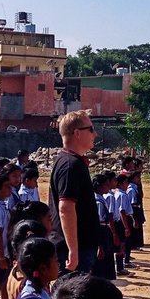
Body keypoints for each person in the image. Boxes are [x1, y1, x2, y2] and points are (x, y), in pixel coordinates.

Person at [48, 111, 101, 274]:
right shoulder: (70, 165)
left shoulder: (71, 161)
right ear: (77, 133)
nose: (95, 134)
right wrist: (73, 250)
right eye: (91, 129)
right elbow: (66, 208)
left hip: (80, 247)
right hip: (74, 250)